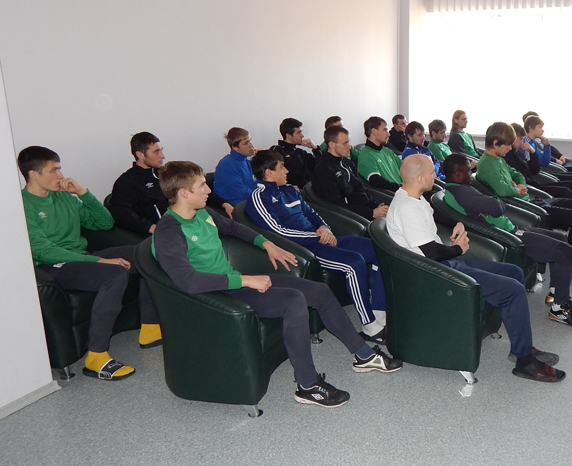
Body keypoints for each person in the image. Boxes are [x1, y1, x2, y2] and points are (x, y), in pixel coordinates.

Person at [152, 161, 401, 408]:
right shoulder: (168, 231)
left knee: (319, 291)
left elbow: (235, 229)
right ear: (184, 193)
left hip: (233, 283)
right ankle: (308, 385)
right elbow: (188, 280)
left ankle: (364, 355)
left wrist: (267, 244)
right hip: (215, 296)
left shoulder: (202, 213)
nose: (208, 190)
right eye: (202, 186)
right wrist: (245, 280)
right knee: (293, 301)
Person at [386, 154, 565, 382]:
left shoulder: (412, 196)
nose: (435, 176)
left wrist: (456, 221)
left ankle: (521, 345)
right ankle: (524, 361)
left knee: (514, 272)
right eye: (431, 173)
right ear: (420, 178)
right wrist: (458, 249)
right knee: (513, 290)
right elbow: (432, 253)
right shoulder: (407, 209)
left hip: (442, 264)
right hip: (434, 274)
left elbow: (433, 214)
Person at [18, 146, 161, 381]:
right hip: (52, 266)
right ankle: (96, 356)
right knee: (114, 273)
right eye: (54, 170)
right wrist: (99, 260)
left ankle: (150, 327)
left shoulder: (63, 196)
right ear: (33, 174)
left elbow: (104, 223)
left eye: (60, 169)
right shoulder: (22, 205)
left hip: (79, 255)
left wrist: (83, 193)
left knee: (148, 253)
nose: (61, 175)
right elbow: (43, 251)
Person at [246, 149, 388, 343]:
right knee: (354, 263)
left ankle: (379, 311)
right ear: (268, 172)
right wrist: (317, 235)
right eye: (281, 167)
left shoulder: (288, 190)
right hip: (305, 249)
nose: (287, 171)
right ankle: (370, 326)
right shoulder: (259, 197)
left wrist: (324, 228)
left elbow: (311, 213)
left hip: (321, 238)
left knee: (379, 248)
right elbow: (278, 232)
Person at [442, 154, 572, 328]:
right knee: (565, 251)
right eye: (468, 170)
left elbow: (492, 204)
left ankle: (555, 294)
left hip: (510, 228)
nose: (470, 173)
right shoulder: (461, 192)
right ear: (457, 174)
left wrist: (491, 203)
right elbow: (496, 207)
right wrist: (493, 202)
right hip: (507, 235)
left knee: (560, 238)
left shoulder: (460, 189)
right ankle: (560, 309)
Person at [476, 122, 572, 278]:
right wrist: (516, 189)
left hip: (531, 200)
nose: (510, 148)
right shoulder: (487, 164)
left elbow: (518, 174)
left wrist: (520, 185)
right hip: (525, 207)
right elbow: (502, 190)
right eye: (508, 145)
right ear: (495, 143)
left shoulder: (498, 159)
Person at [110, 132, 233, 235]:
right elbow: (120, 213)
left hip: (191, 223)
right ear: (140, 154)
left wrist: (224, 204)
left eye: (161, 150)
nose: (162, 156)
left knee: (232, 228)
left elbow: (196, 189)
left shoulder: (166, 173)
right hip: (169, 232)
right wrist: (152, 228)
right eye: (156, 152)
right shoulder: (127, 182)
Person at [312, 125, 389, 221]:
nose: (349, 147)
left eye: (349, 142)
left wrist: (375, 205)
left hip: (365, 209)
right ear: (332, 145)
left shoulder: (346, 162)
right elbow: (337, 205)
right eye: (345, 143)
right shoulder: (323, 169)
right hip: (352, 218)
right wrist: (371, 213)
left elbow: (360, 188)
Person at [522, 112, 572, 200]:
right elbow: (530, 167)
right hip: (535, 175)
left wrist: (547, 146)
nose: (542, 130)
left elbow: (544, 161)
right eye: (540, 127)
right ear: (530, 128)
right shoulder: (525, 143)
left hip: (538, 170)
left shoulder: (533, 143)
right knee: (571, 182)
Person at [506, 123, 572, 199]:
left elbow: (534, 170)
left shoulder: (518, 152)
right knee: (566, 190)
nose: (522, 142)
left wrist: (533, 152)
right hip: (530, 188)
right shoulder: (509, 156)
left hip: (535, 184)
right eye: (520, 139)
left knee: (570, 184)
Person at [270, 117, 320, 189]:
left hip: (310, 188)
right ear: (289, 136)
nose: (302, 136)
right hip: (292, 190)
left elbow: (321, 166)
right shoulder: (277, 151)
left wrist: (315, 148)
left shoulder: (300, 152)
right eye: (298, 133)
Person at [357, 116, 402, 192]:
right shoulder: (366, 155)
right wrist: (401, 188)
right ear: (374, 131)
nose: (388, 134)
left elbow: (404, 167)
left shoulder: (387, 151)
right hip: (395, 194)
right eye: (385, 130)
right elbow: (376, 180)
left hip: (405, 191)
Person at [214, 127, 257, 204]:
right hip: (236, 204)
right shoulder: (227, 164)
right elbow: (240, 191)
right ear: (235, 147)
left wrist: (263, 158)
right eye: (246, 143)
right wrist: (262, 196)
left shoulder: (246, 162)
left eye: (250, 141)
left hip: (249, 200)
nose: (251, 145)